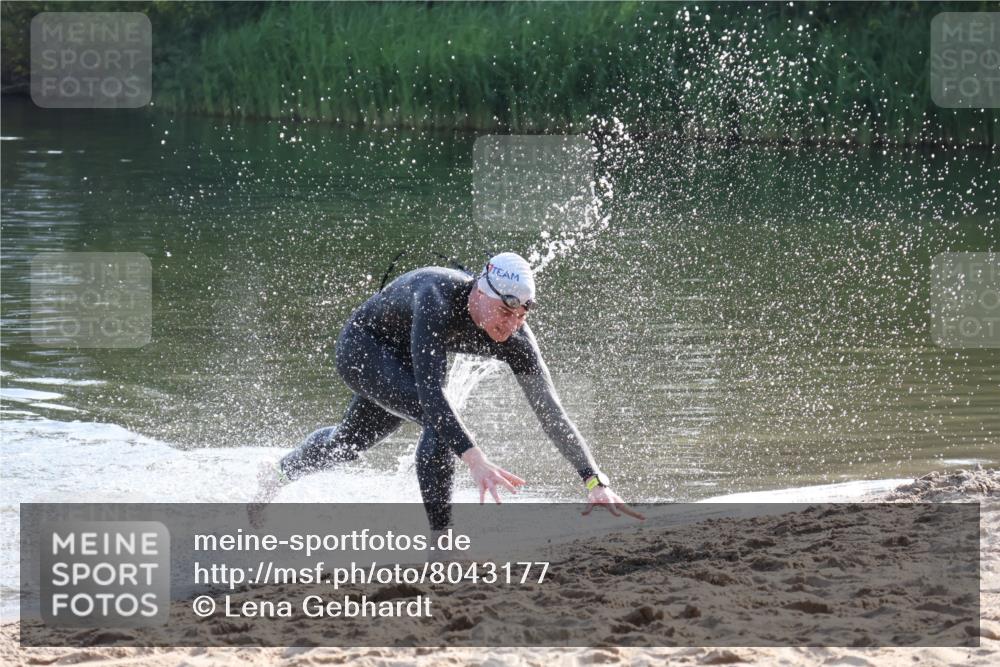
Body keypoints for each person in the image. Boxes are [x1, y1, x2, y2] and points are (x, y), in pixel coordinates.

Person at [248, 252, 644, 531]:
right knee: (437, 422)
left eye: (521, 316)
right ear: (479, 292)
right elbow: (433, 399)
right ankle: (443, 541)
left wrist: (594, 481)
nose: (510, 325)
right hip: (364, 348)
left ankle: (277, 473)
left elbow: (551, 412)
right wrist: (475, 459)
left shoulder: (516, 338)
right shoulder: (436, 297)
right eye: (505, 313)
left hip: (409, 360)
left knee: (347, 443)